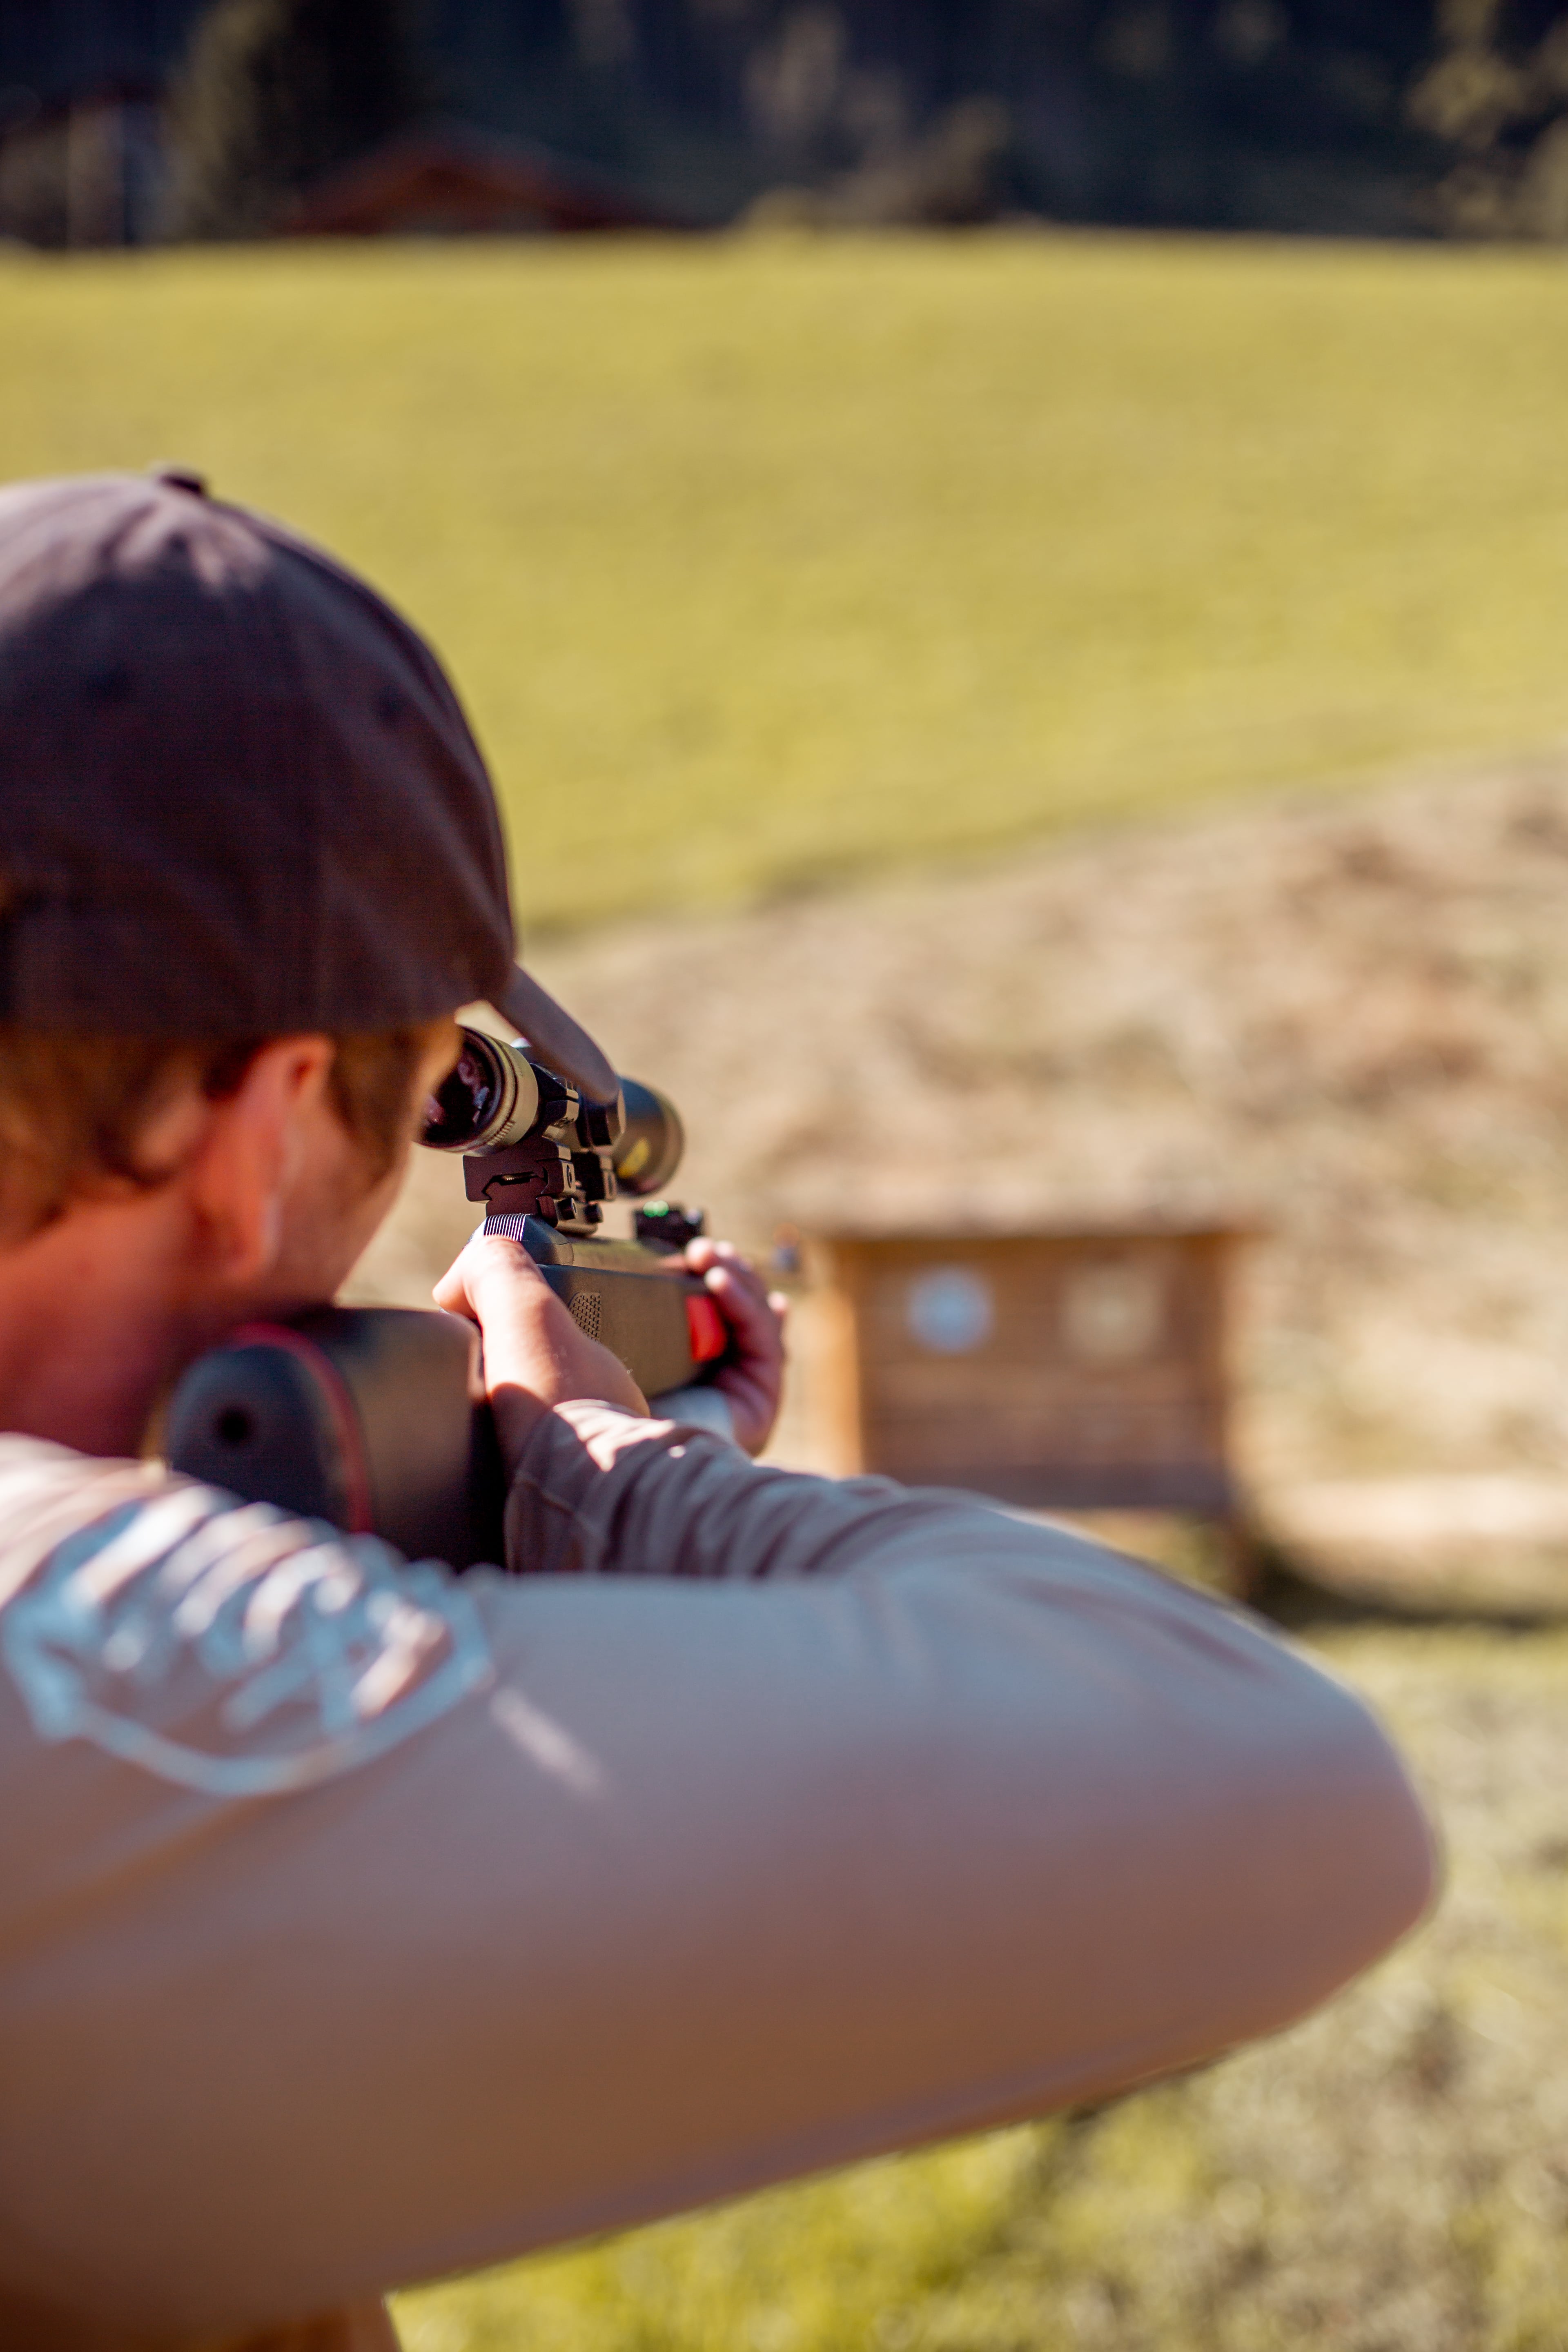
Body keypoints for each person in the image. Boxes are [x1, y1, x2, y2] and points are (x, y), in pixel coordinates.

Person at [0, 470, 1434, 2352]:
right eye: (417, 1099)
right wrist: (616, 1483)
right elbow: (1293, 1800)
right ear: (256, 1128)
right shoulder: (76, 1670)